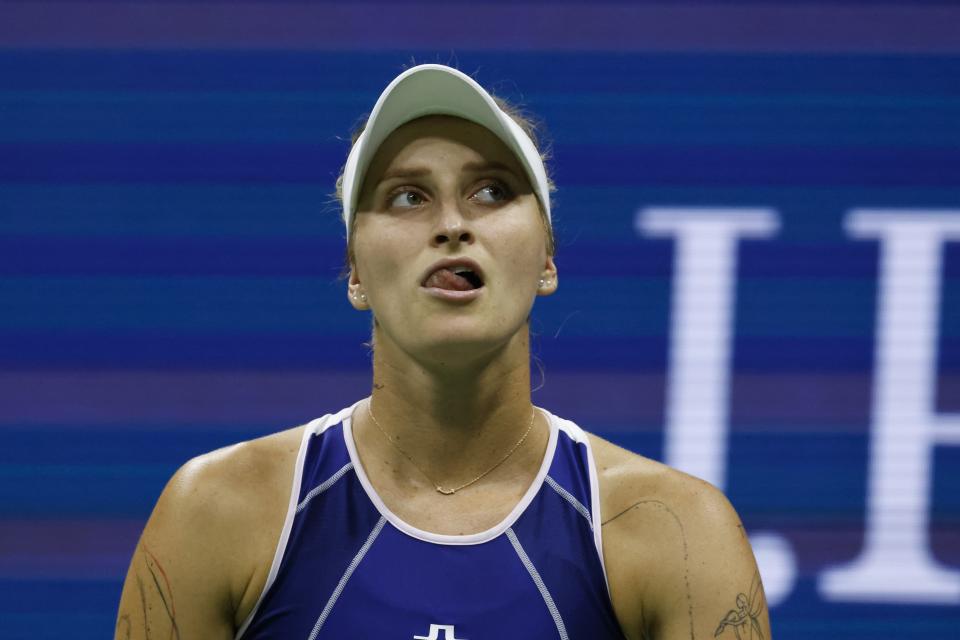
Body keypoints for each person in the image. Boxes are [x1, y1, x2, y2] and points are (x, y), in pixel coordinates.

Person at [115, 64, 771, 640]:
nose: (453, 225)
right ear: (355, 275)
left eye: (492, 191)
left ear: (546, 260)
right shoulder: (216, 511)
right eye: (408, 195)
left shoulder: (677, 534)